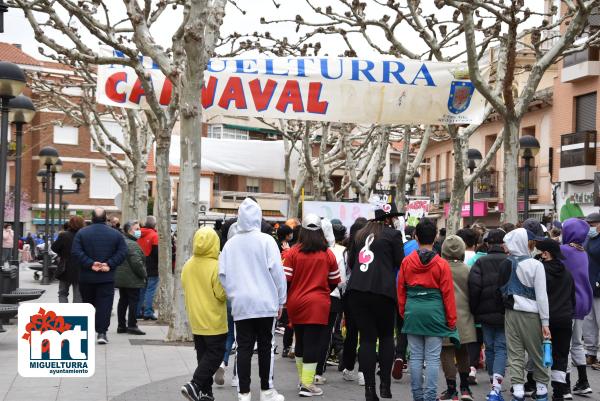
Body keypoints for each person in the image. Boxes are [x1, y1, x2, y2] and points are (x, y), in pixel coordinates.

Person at [218, 198, 286, 401]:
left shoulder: (230, 245)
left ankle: (244, 393)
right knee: (266, 346)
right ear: (258, 217)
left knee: (244, 347)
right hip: (265, 303)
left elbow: (222, 275)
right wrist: (281, 300)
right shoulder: (267, 241)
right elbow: (278, 273)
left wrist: (233, 293)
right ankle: (267, 390)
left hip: (242, 304)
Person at [346, 203, 405, 401]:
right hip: (383, 291)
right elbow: (400, 262)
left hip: (357, 290)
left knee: (367, 339)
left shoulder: (360, 233)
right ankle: (385, 386)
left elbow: (352, 263)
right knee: (387, 337)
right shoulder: (393, 235)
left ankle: (369, 389)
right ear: (389, 218)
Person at [398, 218, 458, 401]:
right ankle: (430, 396)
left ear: (416, 237)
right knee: (432, 359)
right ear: (435, 239)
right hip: (435, 312)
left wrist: (404, 312)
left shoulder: (407, 262)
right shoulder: (441, 264)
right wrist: (451, 320)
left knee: (415, 357)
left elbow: (401, 290)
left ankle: (417, 396)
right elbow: (448, 294)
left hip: (413, 311)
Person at [284, 214, 341, 397]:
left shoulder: (293, 252)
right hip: (318, 304)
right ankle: (307, 384)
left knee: (300, 341)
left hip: (296, 303)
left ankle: (303, 381)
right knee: (313, 344)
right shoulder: (327, 254)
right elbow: (334, 282)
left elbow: (286, 280)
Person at [498, 228, 550, 401]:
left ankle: (518, 389)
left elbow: (500, 290)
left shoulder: (506, 263)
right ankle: (542, 389)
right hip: (532, 315)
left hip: (511, 314)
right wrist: (545, 322)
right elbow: (542, 297)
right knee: (537, 353)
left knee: (515, 354)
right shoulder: (536, 265)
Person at [181, 227, 228, 401]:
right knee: (216, 354)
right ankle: (194, 384)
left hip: (196, 319)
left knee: (203, 357)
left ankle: (206, 393)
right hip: (213, 319)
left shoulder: (188, 264)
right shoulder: (216, 266)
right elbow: (221, 295)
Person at [71, 207, 127, 344]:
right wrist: (109, 264)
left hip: (87, 277)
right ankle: (102, 333)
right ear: (105, 217)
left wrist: (90, 264)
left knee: (88, 304)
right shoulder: (116, 234)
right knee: (105, 305)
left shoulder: (81, 233)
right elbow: (123, 252)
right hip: (106, 277)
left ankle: (87, 331)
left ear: (92, 217)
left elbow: (76, 252)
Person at [468, 229, 508, 401]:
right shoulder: (510, 261)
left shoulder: (480, 262)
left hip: (484, 312)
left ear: (488, 243)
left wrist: (474, 309)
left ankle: (493, 379)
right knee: (501, 347)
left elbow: (474, 288)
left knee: (490, 346)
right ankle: (496, 384)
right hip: (506, 312)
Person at [536, 238, 575, 401]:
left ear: (546, 254)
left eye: (539, 251)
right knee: (561, 355)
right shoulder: (567, 272)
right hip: (565, 318)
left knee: (540, 354)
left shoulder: (540, 271)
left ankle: (538, 387)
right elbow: (572, 297)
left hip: (546, 320)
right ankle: (559, 392)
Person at [439, 235, 476, 401]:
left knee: (446, 352)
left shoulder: (439, 268)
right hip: (465, 316)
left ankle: (451, 389)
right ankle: (465, 388)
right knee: (463, 352)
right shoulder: (468, 269)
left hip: (445, 316)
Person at [559, 218, 593, 396]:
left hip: (567, 303)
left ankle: (565, 386)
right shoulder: (582, 252)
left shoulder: (563, 251)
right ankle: (583, 381)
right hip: (582, 303)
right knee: (577, 344)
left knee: (565, 345)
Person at [314, 218, 346, 386]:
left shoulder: (299, 250)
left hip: (307, 297)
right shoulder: (338, 252)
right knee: (325, 335)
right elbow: (341, 279)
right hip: (331, 297)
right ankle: (317, 372)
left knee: (309, 335)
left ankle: (306, 373)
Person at [340, 218, 368, 385]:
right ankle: (363, 372)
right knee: (366, 333)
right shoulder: (370, 252)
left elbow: (343, 277)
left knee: (351, 332)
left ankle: (349, 367)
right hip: (367, 292)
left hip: (350, 295)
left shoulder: (346, 252)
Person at [114, 221, 147, 335]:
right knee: (133, 301)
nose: (139, 231)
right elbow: (136, 263)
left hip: (122, 277)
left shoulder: (121, 241)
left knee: (123, 300)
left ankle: (121, 325)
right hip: (132, 278)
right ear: (129, 230)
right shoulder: (133, 244)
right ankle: (132, 325)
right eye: (137, 229)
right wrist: (144, 274)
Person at [52, 216, 85, 303]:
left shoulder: (64, 235)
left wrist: (61, 253)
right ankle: (76, 315)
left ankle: (65, 313)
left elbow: (54, 248)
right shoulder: (84, 236)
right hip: (81, 268)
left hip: (65, 268)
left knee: (63, 293)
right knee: (78, 295)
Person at [584, 212, 600, 370]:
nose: (590, 227)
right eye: (589, 224)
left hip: (598, 285)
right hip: (589, 286)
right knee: (589, 322)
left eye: (593, 224)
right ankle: (591, 353)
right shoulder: (589, 238)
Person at [137, 216, 159, 320]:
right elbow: (156, 254)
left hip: (139, 265)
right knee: (150, 291)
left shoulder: (137, 233)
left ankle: (137, 311)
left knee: (141, 290)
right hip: (152, 268)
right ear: (154, 225)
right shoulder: (155, 235)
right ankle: (148, 312)